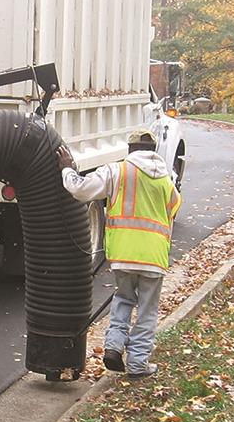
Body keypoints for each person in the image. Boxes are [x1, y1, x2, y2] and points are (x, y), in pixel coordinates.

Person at [57, 129, 180, 379]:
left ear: (130, 149)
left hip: (123, 254)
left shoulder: (118, 171)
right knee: (146, 311)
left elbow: (81, 190)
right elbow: (174, 209)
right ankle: (138, 365)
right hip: (154, 258)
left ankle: (113, 346)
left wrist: (67, 168)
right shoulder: (166, 181)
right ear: (154, 151)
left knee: (123, 300)